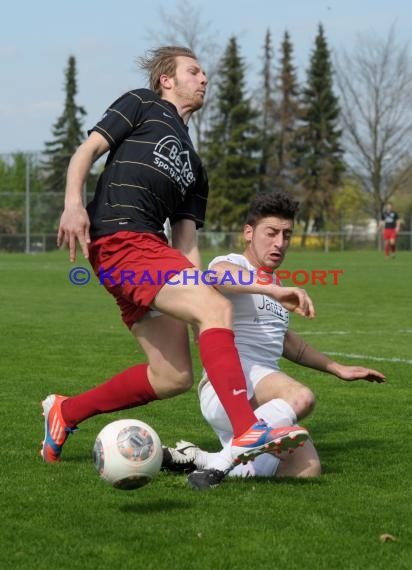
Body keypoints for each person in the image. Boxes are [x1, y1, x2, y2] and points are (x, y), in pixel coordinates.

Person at [41, 47, 315, 465]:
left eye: (205, 73)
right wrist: (74, 204)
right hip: (121, 239)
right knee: (216, 307)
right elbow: (86, 151)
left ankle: (67, 411)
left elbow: (187, 244)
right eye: (194, 71)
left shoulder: (196, 168)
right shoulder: (143, 102)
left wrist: (198, 305)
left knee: (173, 376)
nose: (204, 79)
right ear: (166, 80)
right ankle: (246, 430)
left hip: (150, 250)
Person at [162, 191, 386, 490]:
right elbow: (217, 276)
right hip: (230, 385)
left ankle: (201, 459)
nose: (279, 243)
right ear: (248, 233)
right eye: (271, 233)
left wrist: (337, 368)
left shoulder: (276, 285)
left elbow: (288, 343)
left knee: (305, 467)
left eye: (287, 235)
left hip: (261, 395)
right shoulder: (232, 264)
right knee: (301, 397)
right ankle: (219, 465)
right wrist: (272, 291)